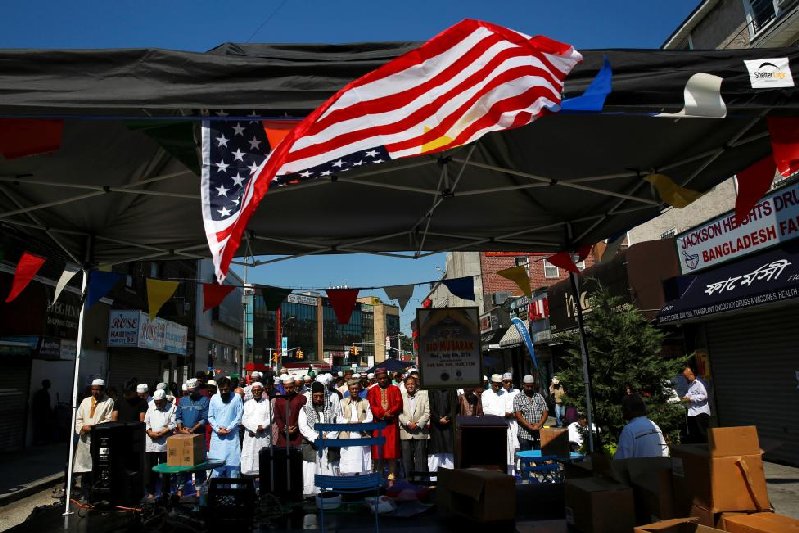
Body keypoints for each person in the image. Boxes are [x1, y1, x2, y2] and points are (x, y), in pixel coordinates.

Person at [73, 379, 114, 500]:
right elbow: (79, 418)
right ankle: (86, 494)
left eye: (97, 389)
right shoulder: (85, 401)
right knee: (85, 468)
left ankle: (99, 495)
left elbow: (108, 420)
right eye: (93, 389)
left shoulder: (108, 401)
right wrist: (82, 428)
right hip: (85, 439)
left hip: (100, 439)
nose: (95, 392)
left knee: (101, 467)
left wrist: (93, 427)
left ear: (102, 390)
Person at [298, 381, 341, 497]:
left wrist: (329, 437)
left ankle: (330, 493)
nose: (318, 399)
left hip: (329, 445)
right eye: (315, 396)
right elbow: (303, 428)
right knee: (312, 471)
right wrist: (317, 437)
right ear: (311, 396)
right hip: (313, 446)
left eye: (321, 396)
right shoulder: (305, 410)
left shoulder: (331, 409)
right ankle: (311, 495)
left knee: (330, 469)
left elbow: (337, 425)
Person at [366, 368, 402, 482]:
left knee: (392, 451)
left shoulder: (395, 389)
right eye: (380, 378)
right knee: (378, 452)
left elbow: (399, 403)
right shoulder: (372, 391)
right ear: (376, 379)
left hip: (391, 425)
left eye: (384, 378)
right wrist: (382, 414)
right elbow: (371, 405)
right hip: (378, 425)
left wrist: (389, 413)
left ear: (387, 378)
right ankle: (378, 476)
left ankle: (392, 476)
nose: (382, 380)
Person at [174, 379, 209, 496]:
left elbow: (205, 418)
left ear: (198, 389)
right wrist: (181, 428)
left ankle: (199, 491)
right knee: (181, 463)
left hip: (198, 436)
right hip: (183, 435)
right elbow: (178, 416)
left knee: (199, 464)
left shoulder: (204, 400)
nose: (189, 394)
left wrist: (193, 429)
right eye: (188, 392)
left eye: (192, 392)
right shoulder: (182, 401)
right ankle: (180, 490)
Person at [208, 376, 244, 478]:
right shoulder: (214, 398)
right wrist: (218, 429)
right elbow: (210, 417)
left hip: (232, 437)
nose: (224, 392)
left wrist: (229, 428)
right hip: (217, 438)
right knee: (216, 469)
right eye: (221, 389)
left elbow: (239, 415)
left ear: (230, 388)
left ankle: (233, 493)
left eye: (226, 389)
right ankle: (215, 493)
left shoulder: (236, 398)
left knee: (233, 468)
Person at [144, 389, 176, 499]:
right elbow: (146, 422)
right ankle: (151, 492)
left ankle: (165, 492)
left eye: (159, 402)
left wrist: (163, 432)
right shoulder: (151, 407)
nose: (157, 404)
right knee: (150, 469)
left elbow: (173, 424)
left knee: (165, 469)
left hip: (165, 443)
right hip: (151, 442)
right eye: (156, 402)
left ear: (164, 400)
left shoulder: (172, 408)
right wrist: (150, 432)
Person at [615, 394, 668, 459]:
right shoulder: (654, 426)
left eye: (623, 407)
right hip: (660, 467)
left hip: (640, 468)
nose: (622, 410)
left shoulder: (629, 430)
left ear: (628, 409)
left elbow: (621, 460)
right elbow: (665, 451)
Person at [337, 379, 373, 475]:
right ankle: (348, 480)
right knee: (347, 457)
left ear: (359, 390)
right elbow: (339, 419)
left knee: (363, 458)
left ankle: (364, 480)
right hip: (347, 434)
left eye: (356, 389)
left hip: (362, 433)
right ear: (349, 390)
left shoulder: (365, 402)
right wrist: (349, 422)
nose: (354, 391)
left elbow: (370, 418)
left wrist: (360, 422)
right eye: (352, 389)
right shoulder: (342, 402)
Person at [399, 376, 430, 480]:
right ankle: (408, 481)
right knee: (406, 458)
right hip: (405, 430)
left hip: (420, 430)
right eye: (408, 384)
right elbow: (399, 413)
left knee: (420, 458)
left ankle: (419, 482)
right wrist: (407, 423)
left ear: (416, 384)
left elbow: (427, 412)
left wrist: (417, 424)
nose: (410, 386)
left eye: (412, 383)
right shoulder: (401, 396)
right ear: (405, 385)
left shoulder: (424, 395)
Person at [241, 382, 273, 478]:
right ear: (251, 391)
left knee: (263, 458)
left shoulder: (268, 403)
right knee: (250, 457)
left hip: (263, 435)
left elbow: (271, 417)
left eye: (258, 390)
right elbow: (244, 419)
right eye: (254, 390)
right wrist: (253, 429)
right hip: (250, 435)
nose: (256, 392)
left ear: (262, 391)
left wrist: (262, 426)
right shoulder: (247, 404)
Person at [514, 375, 548, 451]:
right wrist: (529, 426)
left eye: (531, 386)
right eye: (527, 386)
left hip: (538, 433)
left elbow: (545, 412)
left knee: (539, 459)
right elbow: (518, 415)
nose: (529, 388)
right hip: (524, 434)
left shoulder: (539, 396)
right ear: (523, 385)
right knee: (525, 459)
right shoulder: (518, 397)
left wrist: (539, 424)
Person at [274, 375, 307, 449]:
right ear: (283, 387)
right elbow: (277, 417)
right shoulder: (279, 400)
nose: (288, 390)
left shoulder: (302, 399)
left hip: (298, 434)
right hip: (283, 436)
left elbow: (304, 416)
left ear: (294, 386)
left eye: (290, 387)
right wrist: (284, 429)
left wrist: (295, 427)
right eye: (286, 388)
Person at [428, 388, 456, 473]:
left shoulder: (452, 390)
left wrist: (447, 417)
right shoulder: (431, 390)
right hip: (435, 425)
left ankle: (449, 480)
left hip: (448, 425)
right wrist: (438, 419)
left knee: (448, 452)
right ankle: (433, 480)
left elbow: (455, 406)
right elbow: (430, 406)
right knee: (435, 453)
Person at [681, 366, 710, 444]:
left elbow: (704, 395)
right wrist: (685, 397)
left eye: (686, 377)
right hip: (692, 412)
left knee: (703, 433)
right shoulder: (690, 384)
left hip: (701, 412)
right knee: (694, 434)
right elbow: (689, 394)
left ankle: (706, 449)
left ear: (691, 374)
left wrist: (691, 399)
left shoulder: (700, 383)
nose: (686, 379)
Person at [31, 379, 53, 445]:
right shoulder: (43, 393)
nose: (50, 385)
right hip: (42, 414)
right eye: (48, 384)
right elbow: (43, 405)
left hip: (42, 414)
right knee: (41, 428)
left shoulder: (43, 393)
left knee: (41, 428)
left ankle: (41, 441)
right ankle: (39, 441)